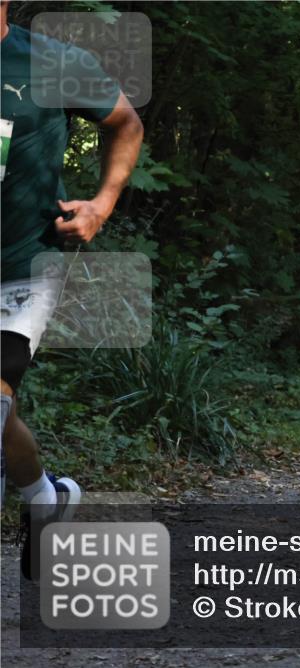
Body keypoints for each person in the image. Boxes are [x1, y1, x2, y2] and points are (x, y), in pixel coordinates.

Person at [1, 0, 144, 580]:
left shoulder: (50, 62)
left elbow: (126, 123)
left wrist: (101, 204)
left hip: (22, 267)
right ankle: (44, 496)